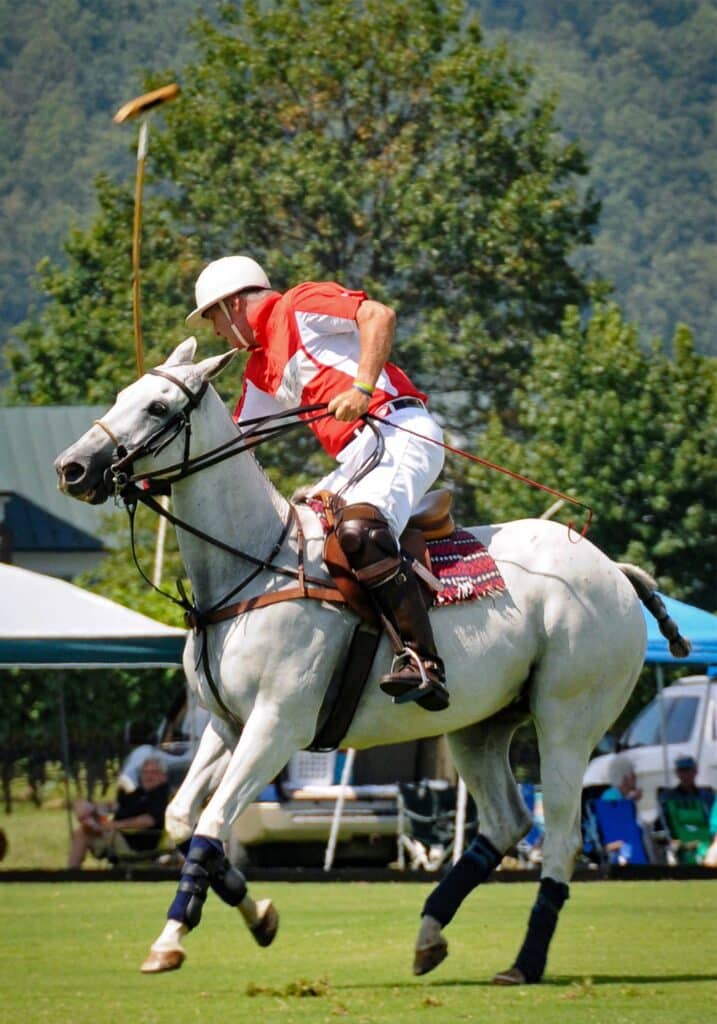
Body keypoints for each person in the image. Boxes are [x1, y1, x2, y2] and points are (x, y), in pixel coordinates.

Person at [186, 255, 449, 712]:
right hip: (358, 458)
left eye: (214, 319)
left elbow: (378, 315)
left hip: (399, 430)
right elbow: (232, 444)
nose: (216, 333)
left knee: (359, 530)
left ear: (232, 306)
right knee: (297, 543)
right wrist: (161, 473)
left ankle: (424, 661)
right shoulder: (260, 369)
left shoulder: (300, 303)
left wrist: (362, 387)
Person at [68, 757, 170, 868]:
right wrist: (91, 808)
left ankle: (71, 873)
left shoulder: (161, 795)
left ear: (163, 776)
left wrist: (113, 825)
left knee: (83, 834)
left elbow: (148, 821)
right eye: (145, 772)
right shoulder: (139, 793)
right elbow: (117, 806)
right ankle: (71, 872)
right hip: (120, 838)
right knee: (83, 829)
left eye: (154, 772)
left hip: (136, 844)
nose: (148, 776)